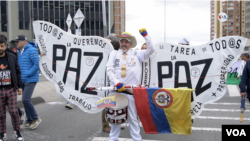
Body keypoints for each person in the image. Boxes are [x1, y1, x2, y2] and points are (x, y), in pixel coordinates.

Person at [106, 28, 155, 141]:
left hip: (131, 91)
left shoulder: (137, 54)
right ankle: (113, 139)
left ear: (131, 44)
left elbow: (151, 49)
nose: (123, 43)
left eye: (126, 42)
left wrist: (145, 35)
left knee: (133, 117)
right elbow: (109, 69)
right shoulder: (114, 53)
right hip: (116, 90)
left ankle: (136, 138)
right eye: (122, 41)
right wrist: (117, 82)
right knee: (115, 116)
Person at [12, 35, 42, 129]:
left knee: (26, 99)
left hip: (31, 79)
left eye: (17, 42)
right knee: (25, 101)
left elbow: (36, 65)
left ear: (24, 41)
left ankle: (36, 118)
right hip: (23, 79)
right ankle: (29, 120)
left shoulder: (32, 50)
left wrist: (27, 74)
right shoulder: (20, 51)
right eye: (15, 42)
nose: (16, 43)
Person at [0, 37, 24, 141]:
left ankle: (17, 132)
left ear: (5, 46)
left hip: (11, 89)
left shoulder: (12, 57)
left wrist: (19, 86)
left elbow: (17, 72)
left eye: (2, 46)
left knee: (14, 112)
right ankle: (2, 134)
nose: (0, 48)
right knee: (0, 115)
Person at [102, 33, 125, 133]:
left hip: (114, 80)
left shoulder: (118, 53)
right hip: (106, 80)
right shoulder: (108, 52)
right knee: (107, 103)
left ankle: (115, 123)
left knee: (116, 103)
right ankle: (105, 125)